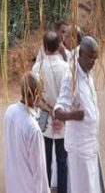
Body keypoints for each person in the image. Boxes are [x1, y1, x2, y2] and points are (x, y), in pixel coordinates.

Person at [54, 36, 104, 193]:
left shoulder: (88, 72)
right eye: (90, 57)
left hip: (91, 144)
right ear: (81, 53)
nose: (93, 62)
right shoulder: (71, 78)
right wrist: (73, 115)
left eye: (95, 59)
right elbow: (58, 111)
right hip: (80, 149)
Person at [32, 31, 69, 193]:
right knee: (62, 158)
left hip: (44, 116)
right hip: (62, 116)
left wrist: (49, 110)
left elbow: (34, 97)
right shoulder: (66, 67)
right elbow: (69, 96)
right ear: (59, 46)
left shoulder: (37, 67)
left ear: (45, 46)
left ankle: (44, 189)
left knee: (44, 156)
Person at [4, 72, 50, 193]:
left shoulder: (9, 112)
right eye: (40, 93)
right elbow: (39, 171)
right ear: (35, 94)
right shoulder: (33, 129)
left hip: (13, 185)